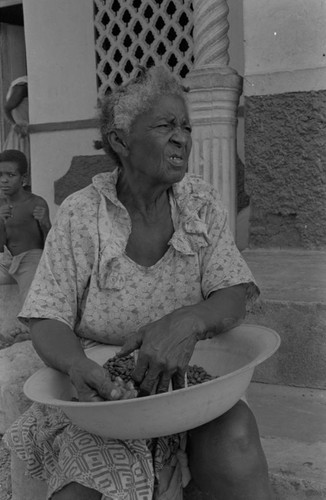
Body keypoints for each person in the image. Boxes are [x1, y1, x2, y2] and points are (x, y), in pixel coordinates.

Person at [3, 66, 273, 500]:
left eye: (186, 126)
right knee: (82, 490)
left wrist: (188, 321)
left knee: (235, 437)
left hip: (188, 384)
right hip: (107, 398)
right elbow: (47, 316)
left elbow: (233, 291)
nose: (182, 138)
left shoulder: (199, 204)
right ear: (120, 140)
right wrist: (77, 367)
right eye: (166, 126)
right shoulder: (82, 213)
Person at [0, 149, 51, 307]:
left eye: (10, 175)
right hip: (6, 262)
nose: (4, 180)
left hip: (30, 259)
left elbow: (50, 244)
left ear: (24, 178)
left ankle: (33, 328)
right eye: (0, 175)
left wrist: (45, 223)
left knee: (31, 296)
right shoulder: (0, 205)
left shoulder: (36, 203)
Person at [3, 76, 30, 188]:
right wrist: (15, 124)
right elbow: (7, 108)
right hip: (21, 132)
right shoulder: (22, 86)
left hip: (27, 131)